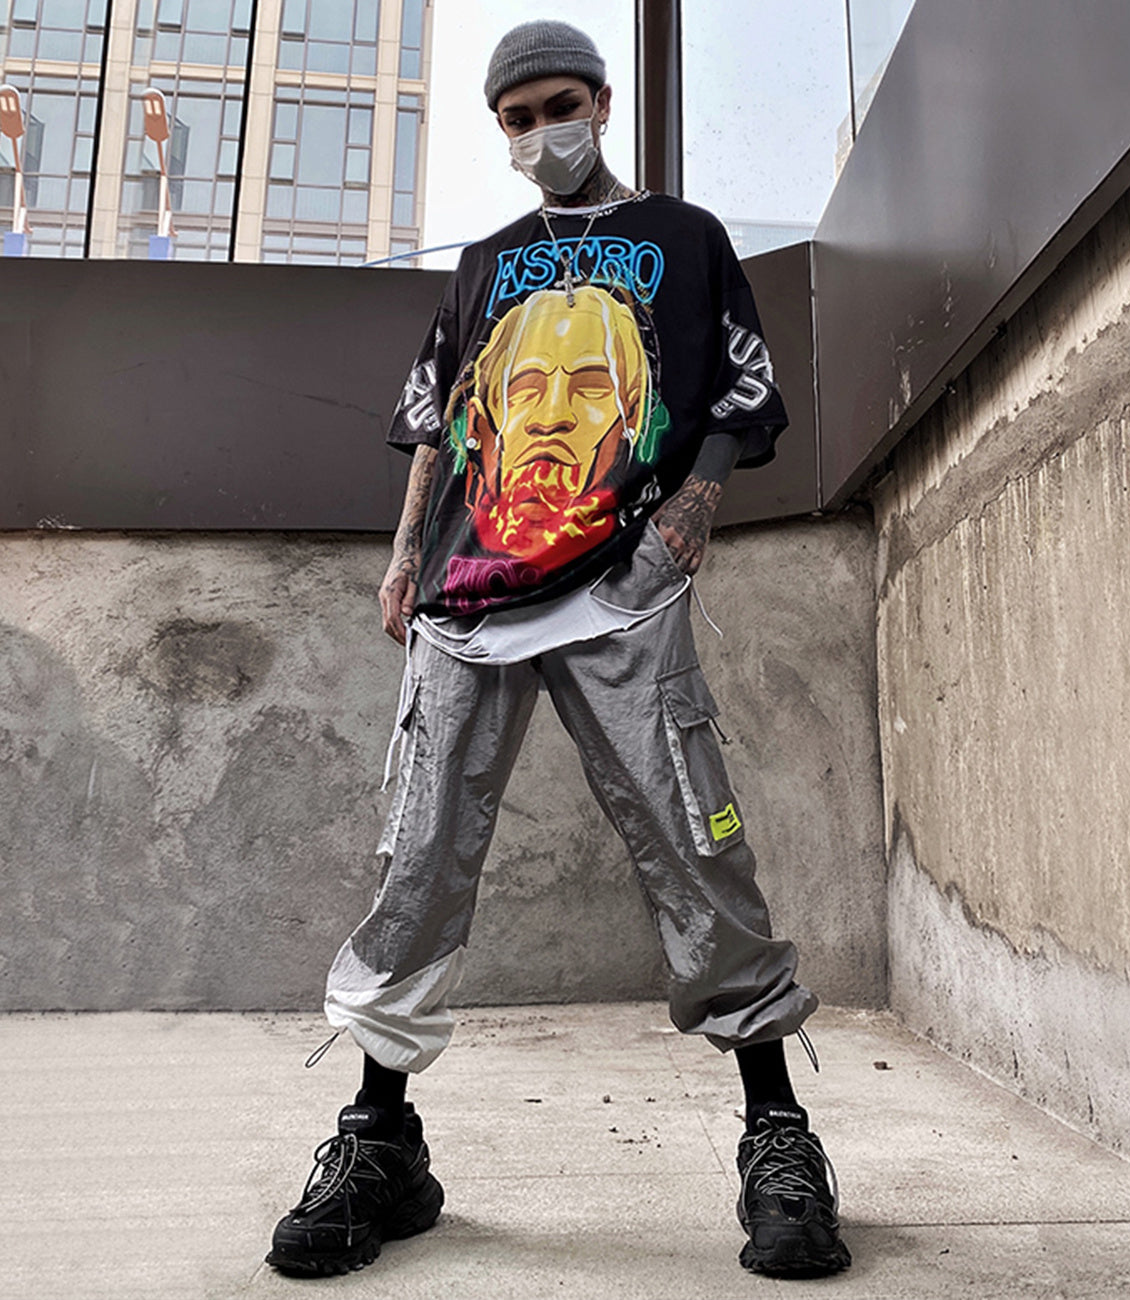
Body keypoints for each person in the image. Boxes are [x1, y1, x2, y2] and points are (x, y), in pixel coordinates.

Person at [266, 20, 851, 1282]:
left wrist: (692, 510)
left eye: (558, 105)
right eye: (517, 117)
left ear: (601, 99)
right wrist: (403, 555)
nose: (541, 132)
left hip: (623, 585)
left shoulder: (683, 238)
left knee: (693, 841)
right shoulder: (484, 261)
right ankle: (380, 1140)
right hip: (467, 592)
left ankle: (777, 1133)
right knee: (420, 849)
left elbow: (736, 394)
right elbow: (440, 419)